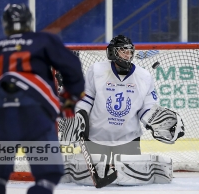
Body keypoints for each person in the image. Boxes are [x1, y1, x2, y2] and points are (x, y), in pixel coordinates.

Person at [61, 35, 185, 186]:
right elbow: (85, 99)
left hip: (129, 140)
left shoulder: (144, 76)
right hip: (96, 138)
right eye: (123, 51)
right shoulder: (97, 70)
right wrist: (78, 116)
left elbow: (147, 107)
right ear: (113, 52)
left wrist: (158, 121)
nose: (128, 55)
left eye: (130, 52)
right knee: (87, 182)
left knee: (129, 183)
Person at [0, 3, 85, 194]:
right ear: (29, 22)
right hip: (34, 113)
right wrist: (69, 100)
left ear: (6, 25)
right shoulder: (43, 40)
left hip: (1, 116)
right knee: (47, 176)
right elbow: (72, 69)